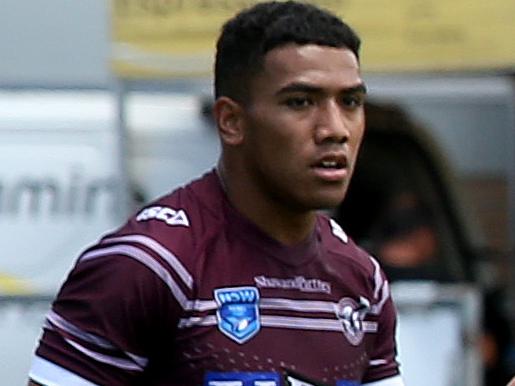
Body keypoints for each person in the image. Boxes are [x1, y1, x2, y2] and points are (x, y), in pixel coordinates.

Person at [28, 2, 404, 385]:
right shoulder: (149, 265)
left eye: (350, 102)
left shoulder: (360, 279)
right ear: (232, 121)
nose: (335, 129)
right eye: (300, 102)